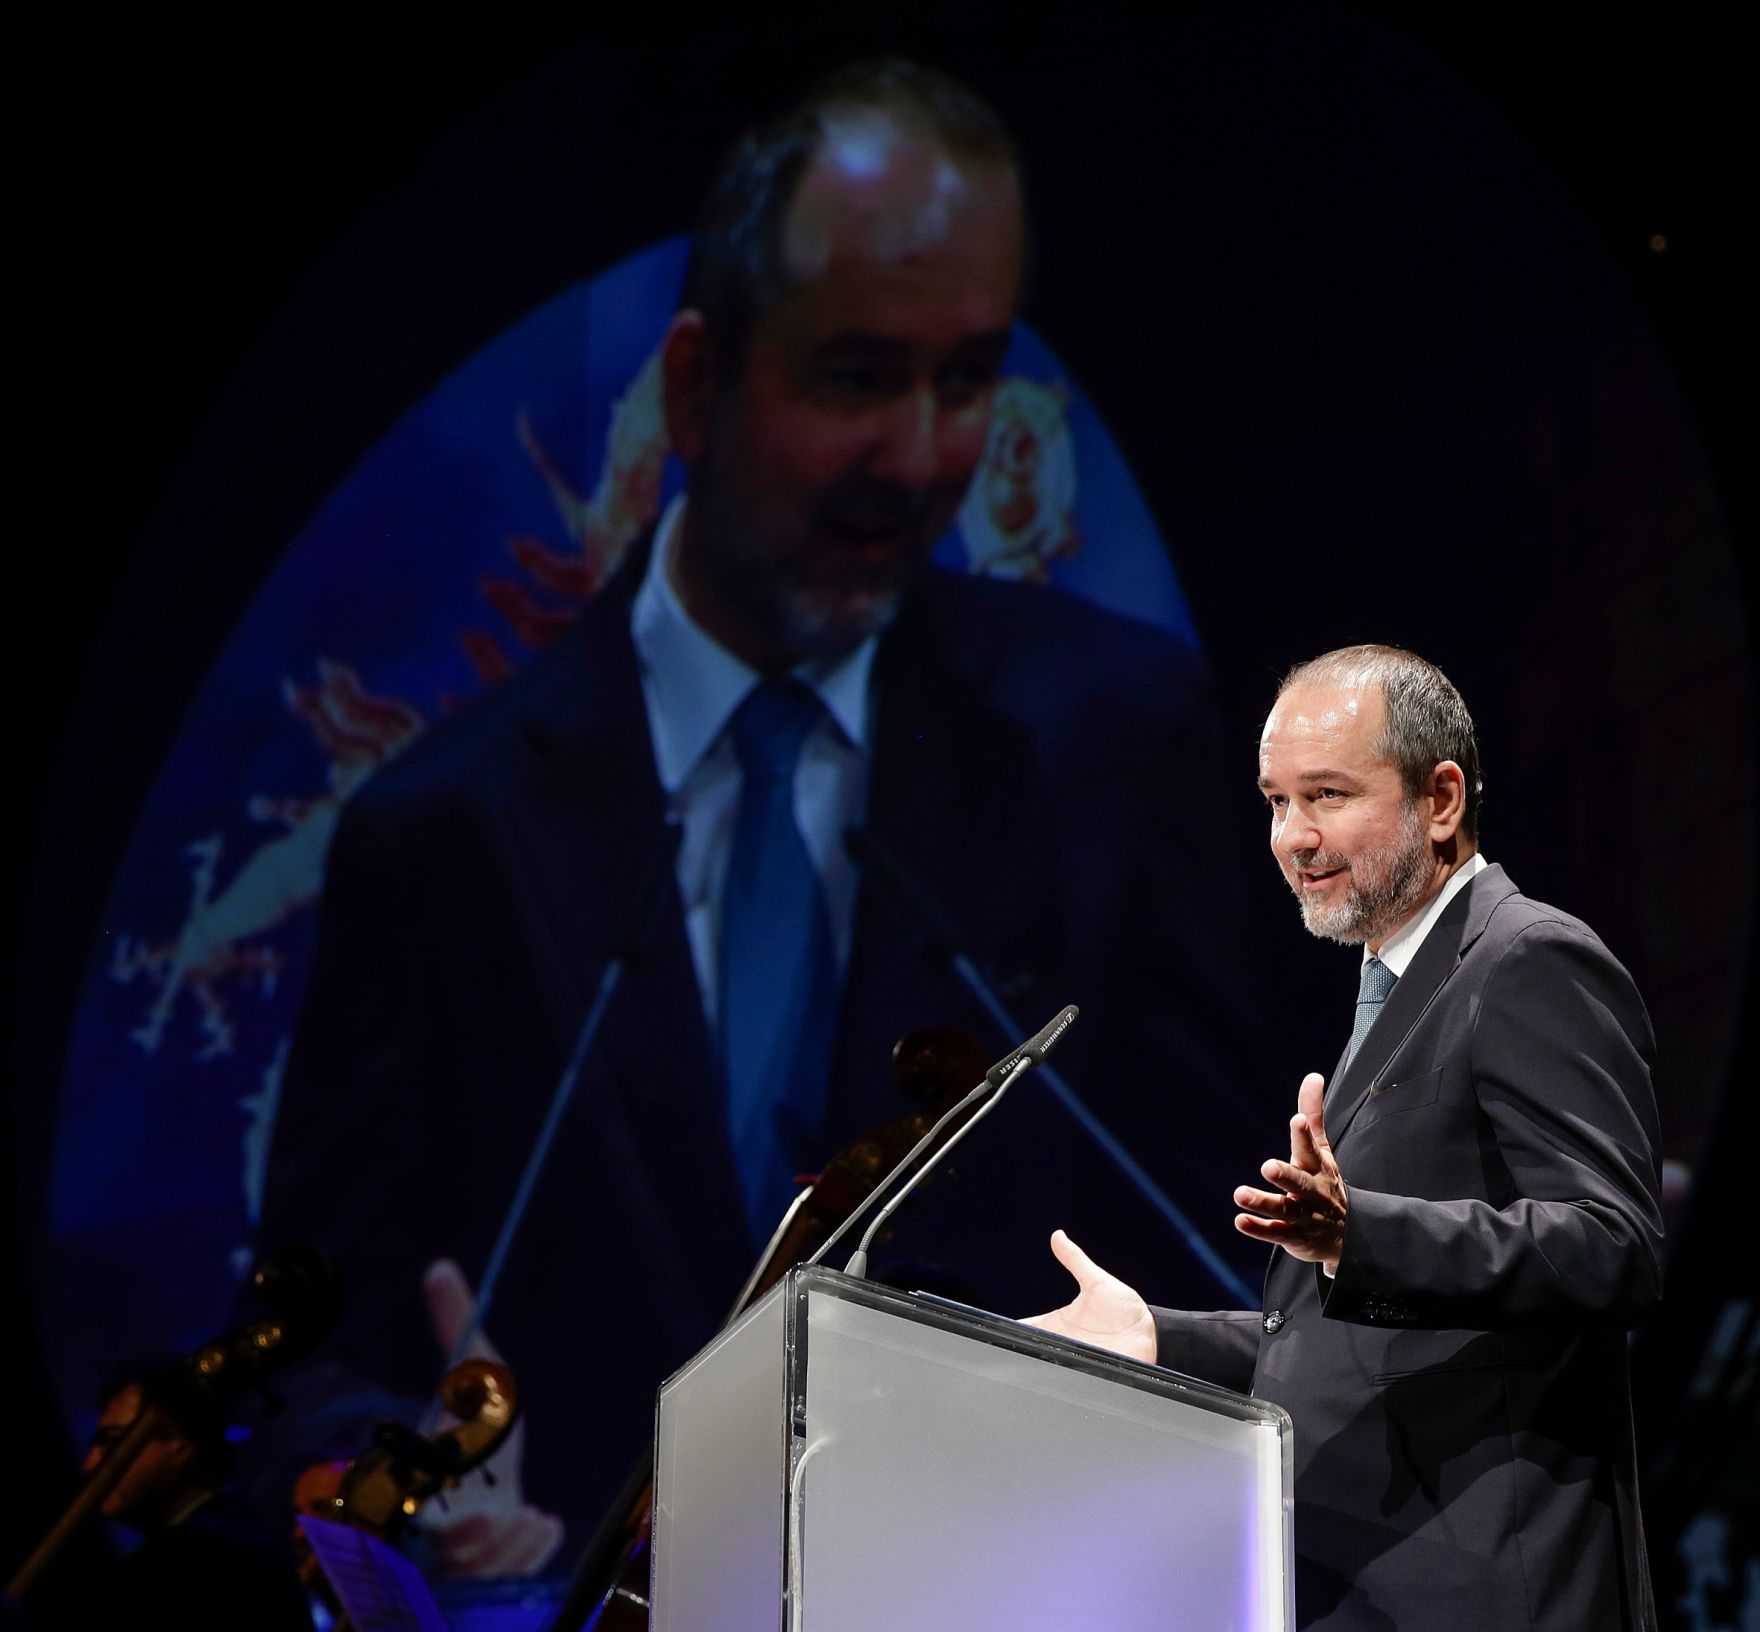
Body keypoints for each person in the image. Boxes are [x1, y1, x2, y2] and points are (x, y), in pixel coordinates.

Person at [258, 59, 1267, 1574]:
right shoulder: (442, 833)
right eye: (857, 379)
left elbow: (1230, 1243)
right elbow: (300, 1362)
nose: (921, 457)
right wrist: (400, 1484)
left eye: (967, 379)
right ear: (692, 382)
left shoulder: (1110, 744)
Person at [1029, 644, 1664, 1630]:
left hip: (1485, 1596)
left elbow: (1610, 1246)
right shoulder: (1395, 992)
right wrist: (1162, 1338)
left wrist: (1352, 1233)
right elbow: (1346, 1344)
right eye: (1275, 801)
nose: (1293, 837)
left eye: (1325, 795)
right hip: (1355, 1591)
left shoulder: (1524, 960)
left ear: (1439, 799)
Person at [51, 1366, 313, 1632]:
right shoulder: (228, 1535)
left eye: (111, 1441)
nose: (91, 1464)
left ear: (178, 1443)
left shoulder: (196, 1556)